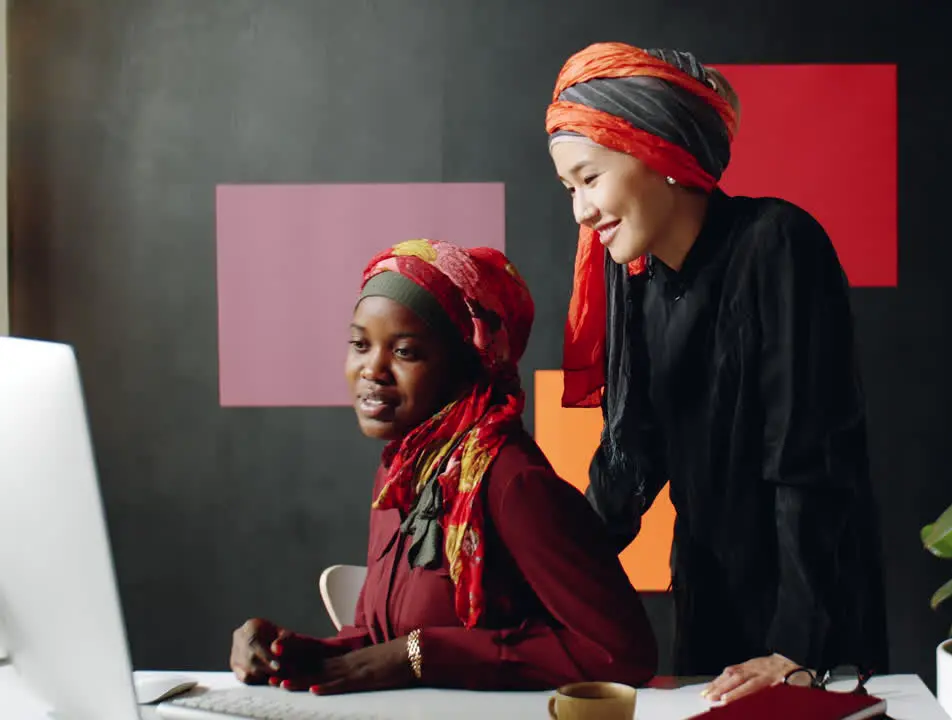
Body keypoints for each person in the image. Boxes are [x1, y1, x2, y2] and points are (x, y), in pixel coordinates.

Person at [545, 42, 890, 702]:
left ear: (658, 153)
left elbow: (809, 461)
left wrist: (798, 647)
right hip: (707, 603)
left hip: (812, 617)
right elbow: (629, 457)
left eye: (589, 179)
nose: (581, 211)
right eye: (570, 188)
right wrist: (549, 573)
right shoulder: (633, 276)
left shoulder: (779, 243)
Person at [228, 239, 658, 694]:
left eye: (406, 352)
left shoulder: (512, 482)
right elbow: (386, 642)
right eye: (360, 344)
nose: (372, 369)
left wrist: (423, 655)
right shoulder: (402, 472)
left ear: (466, 364)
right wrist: (292, 652)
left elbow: (621, 652)